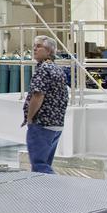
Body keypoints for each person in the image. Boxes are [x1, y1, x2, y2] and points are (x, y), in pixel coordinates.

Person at [22, 35, 69, 173]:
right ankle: (48, 191)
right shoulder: (57, 69)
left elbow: (38, 96)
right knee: (46, 162)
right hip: (56, 124)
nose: (35, 49)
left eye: (39, 46)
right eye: (34, 46)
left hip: (42, 124)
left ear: (49, 51)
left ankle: (51, 192)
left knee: (40, 165)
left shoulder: (43, 69)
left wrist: (30, 118)